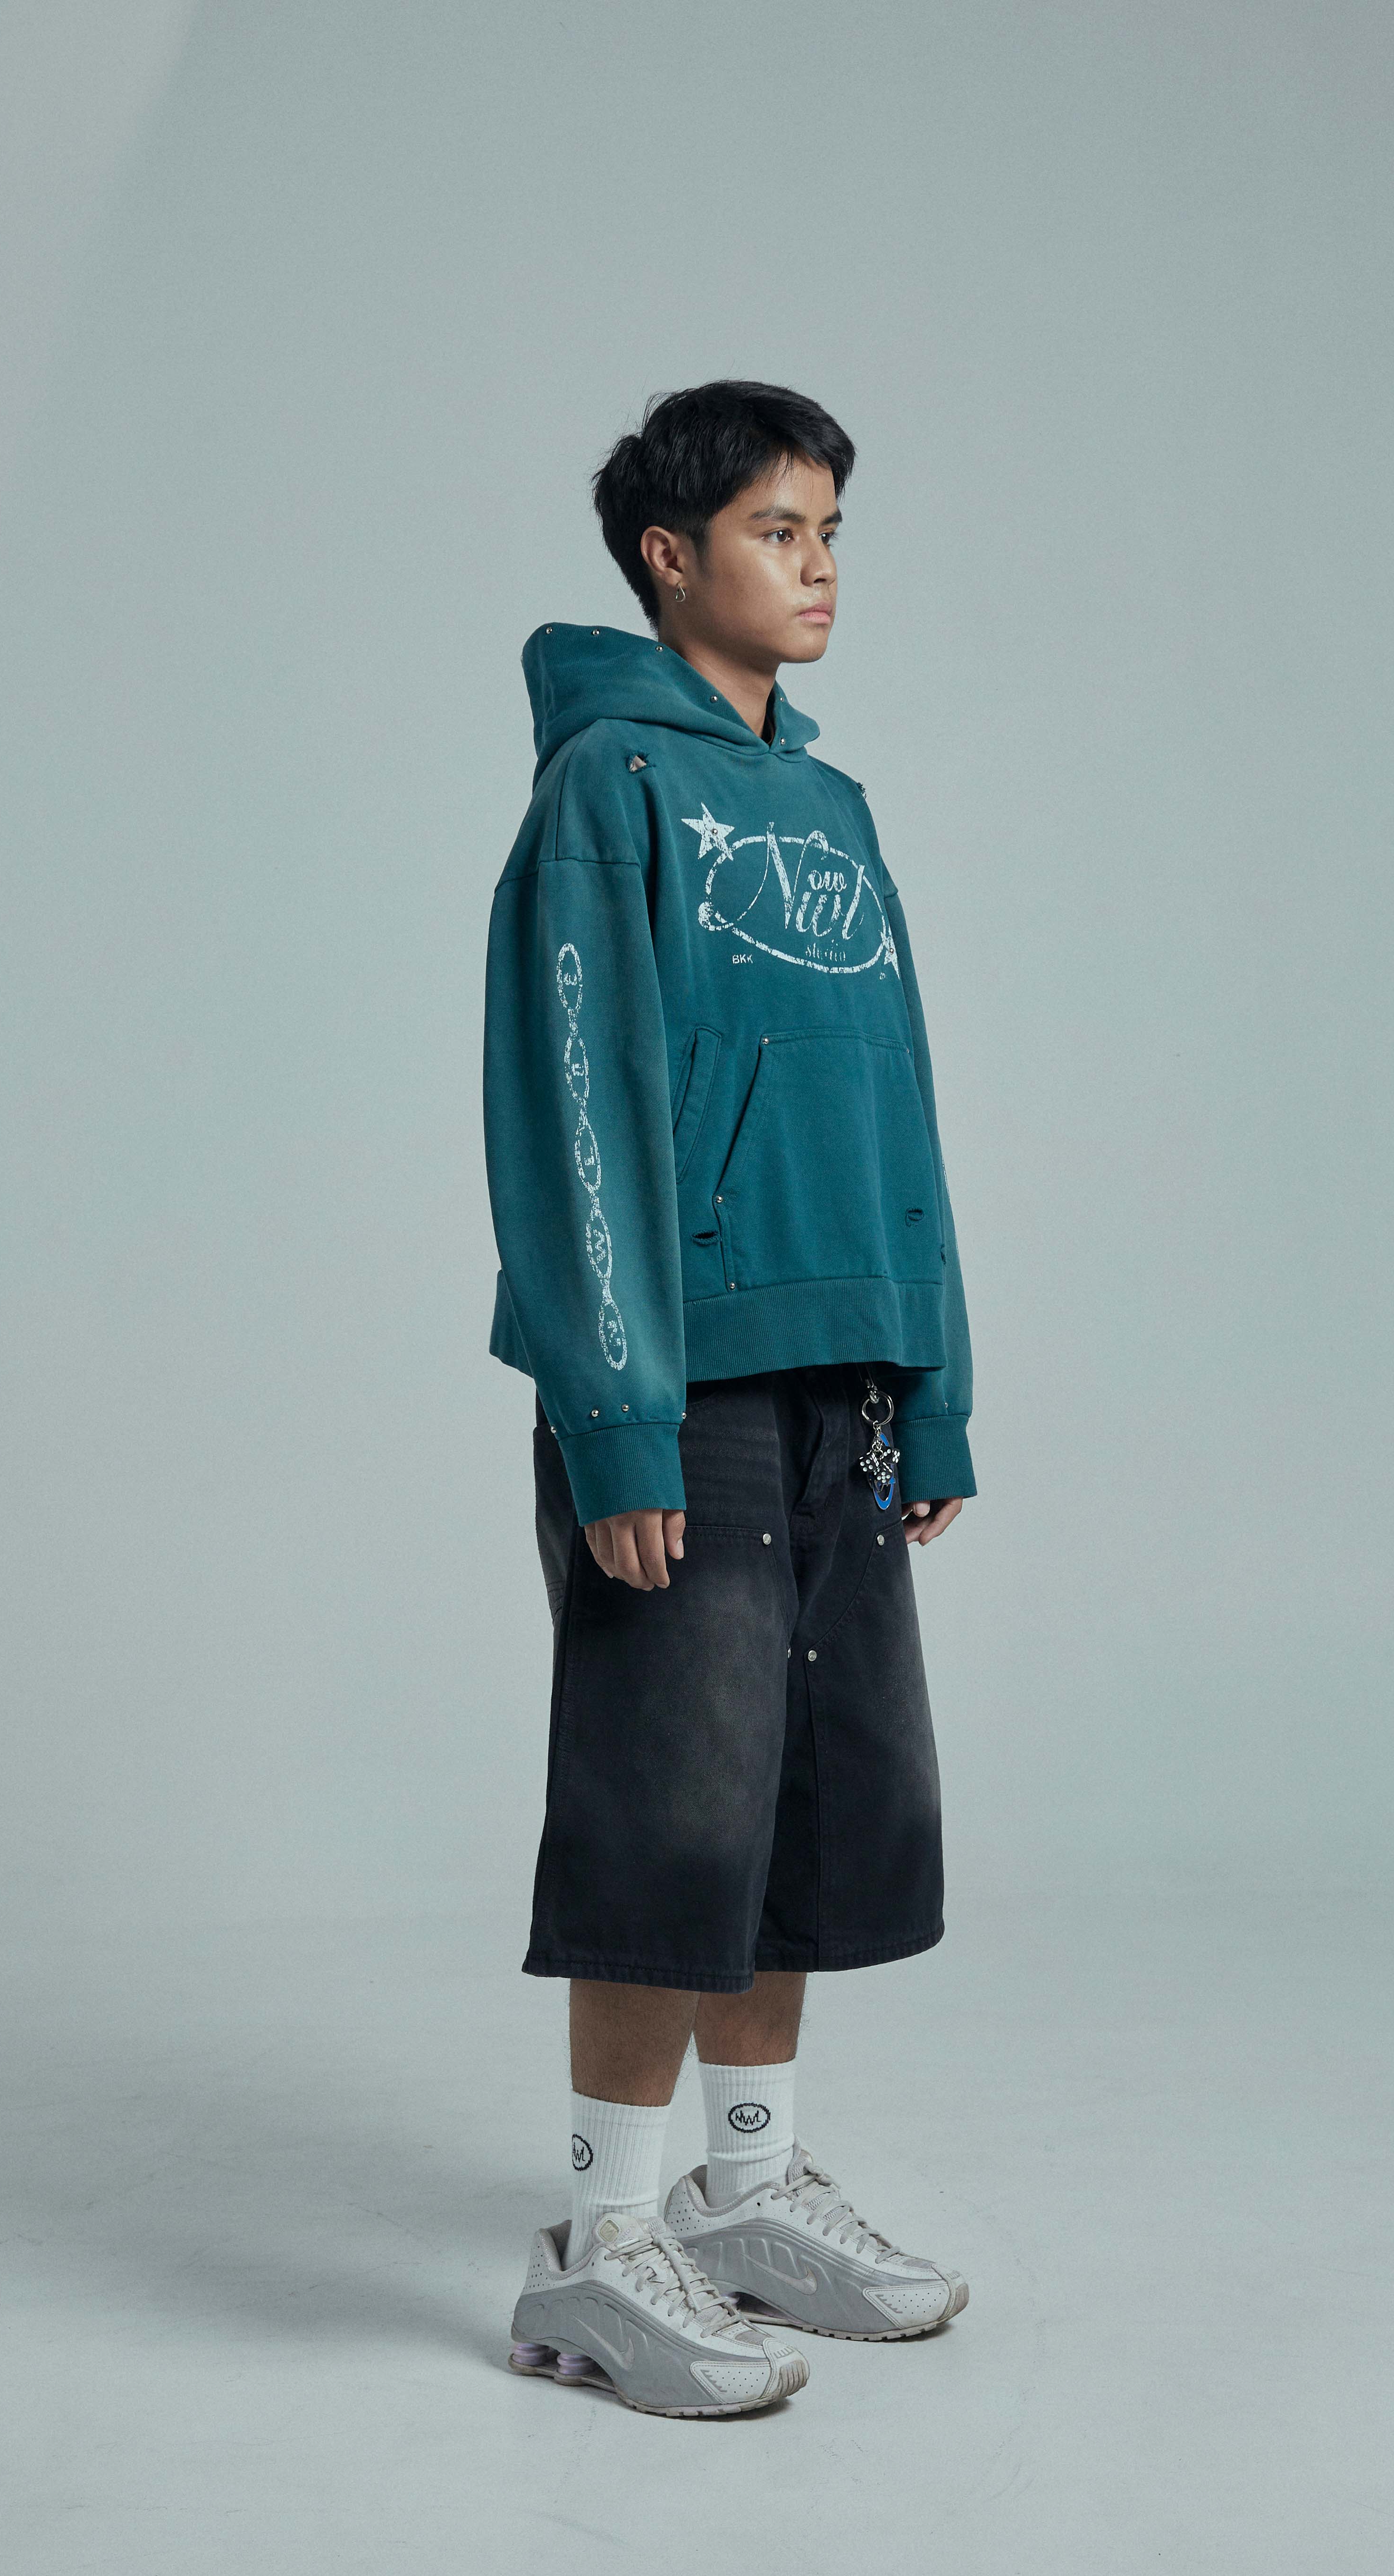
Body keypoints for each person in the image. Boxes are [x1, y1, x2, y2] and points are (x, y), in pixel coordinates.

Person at [480, 381, 976, 2418]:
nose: (823, 566)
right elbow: (572, 1110)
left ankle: (749, 2196)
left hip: (846, 1377)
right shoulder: (608, 786)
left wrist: (937, 1384)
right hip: (679, 1381)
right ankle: (601, 2245)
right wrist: (614, 1412)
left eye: (834, 529)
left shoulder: (835, 809)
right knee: (669, 1804)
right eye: (783, 529)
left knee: (811, 1801)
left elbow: (901, 1107)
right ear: (671, 557)